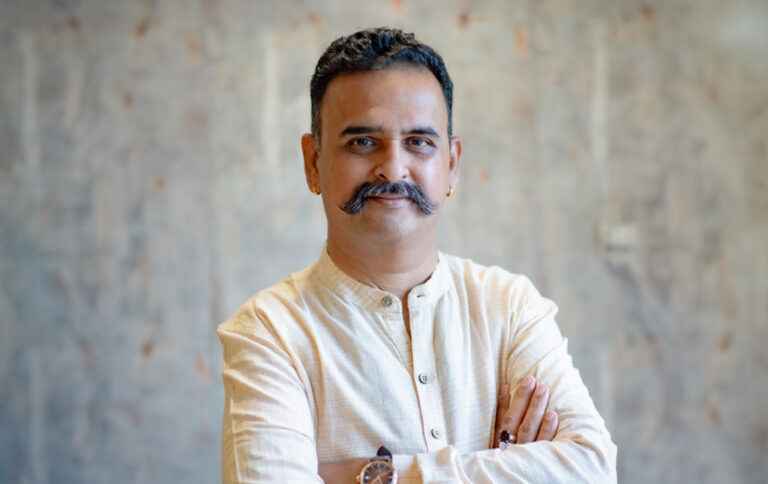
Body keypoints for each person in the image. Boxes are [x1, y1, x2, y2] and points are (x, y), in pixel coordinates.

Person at [218, 27, 617, 483]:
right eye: (362, 142)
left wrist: (372, 474)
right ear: (313, 163)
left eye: (419, 142)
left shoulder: (509, 307)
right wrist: (506, 467)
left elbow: (591, 468)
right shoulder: (270, 332)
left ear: (452, 164)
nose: (392, 168)